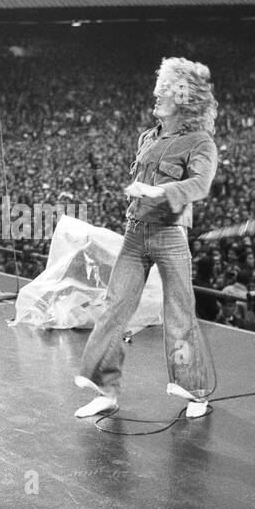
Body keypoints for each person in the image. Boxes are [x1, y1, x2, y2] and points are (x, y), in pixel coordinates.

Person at [74, 57, 219, 419]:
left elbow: (200, 185)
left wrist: (160, 192)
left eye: (164, 93)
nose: (156, 98)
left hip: (170, 236)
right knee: (114, 308)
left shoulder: (200, 142)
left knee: (179, 314)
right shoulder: (147, 138)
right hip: (135, 235)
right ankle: (105, 389)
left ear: (183, 99)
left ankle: (195, 391)